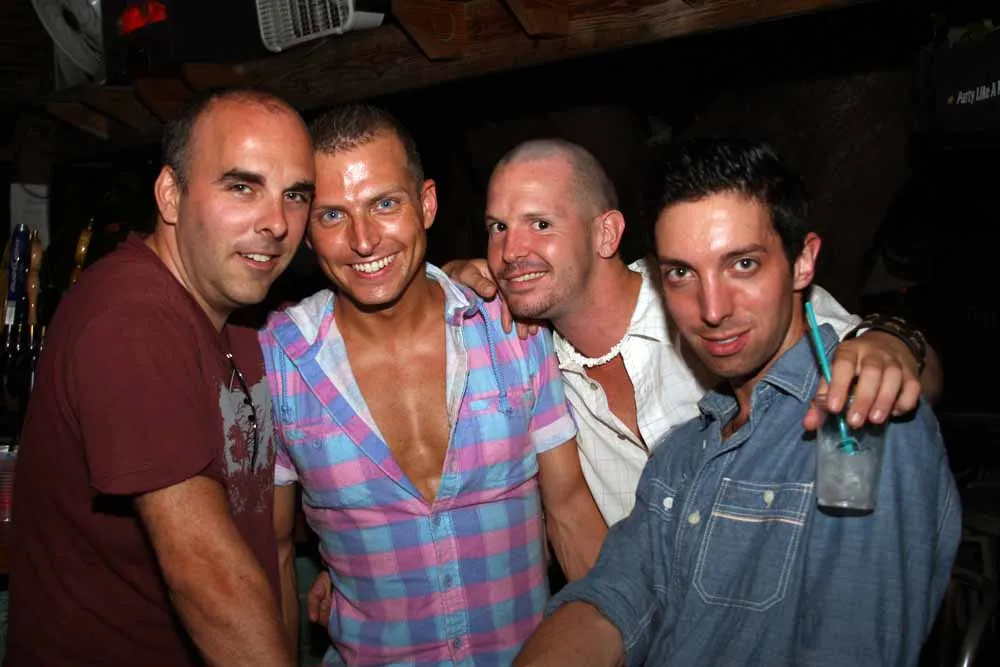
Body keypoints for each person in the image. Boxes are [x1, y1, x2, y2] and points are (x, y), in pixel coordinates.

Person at [514, 137, 961, 666]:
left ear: (802, 262)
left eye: (742, 264)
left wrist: (894, 338)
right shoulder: (683, 454)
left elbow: (850, 646)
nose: (711, 309)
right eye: (682, 273)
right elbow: (610, 601)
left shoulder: (856, 422)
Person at [258, 104, 607, 665]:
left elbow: (569, 511)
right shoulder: (278, 363)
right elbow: (271, 553)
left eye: (385, 204)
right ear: (305, 231)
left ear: (426, 204)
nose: (363, 240)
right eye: (332, 215)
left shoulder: (508, 327)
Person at [447, 137, 942, 526]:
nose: (510, 251)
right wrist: (445, 288)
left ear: (606, 233)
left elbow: (908, 372)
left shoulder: (701, 298)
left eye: (539, 224)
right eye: (497, 227)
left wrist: (893, 341)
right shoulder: (528, 358)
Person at [6, 88, 315, 667]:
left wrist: (453, 286)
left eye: (294, 194)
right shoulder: (131, 318)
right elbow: (208, 578)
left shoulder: (241, 315)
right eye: (242, 187)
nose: (277, 222)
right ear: (171, 194)